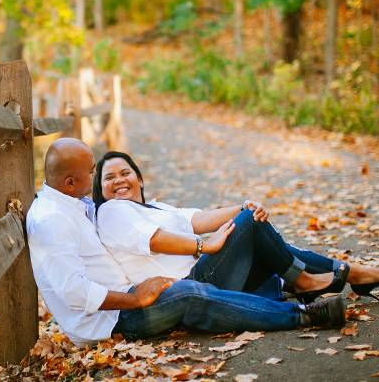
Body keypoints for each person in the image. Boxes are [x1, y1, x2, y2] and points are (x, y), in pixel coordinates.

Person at [26, 138, 347, 346]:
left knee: (244, 235)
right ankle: (304, 315)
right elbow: (74, 292)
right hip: (110, 319)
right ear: (70, 182)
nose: (97, 176)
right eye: (93, 171)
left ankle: (320, 277)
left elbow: (193, 219)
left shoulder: (72, 202)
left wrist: (241, 209)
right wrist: (136, 299)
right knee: (188, 293)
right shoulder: (51, 220)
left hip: (125, 297)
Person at [93, 151, 379, 305]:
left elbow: (199, 219)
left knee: (255, 224)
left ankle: (355, 274)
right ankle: (305, 280)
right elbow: (157, 240)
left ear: (140, 178)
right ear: (101, 190)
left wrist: (245, 205)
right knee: (249, 227)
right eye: (109, 178)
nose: (119, 181)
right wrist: (205, 247)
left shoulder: (155, 208)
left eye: (125, 173)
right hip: (190, 285)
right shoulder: (111, 211)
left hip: (208, 274)